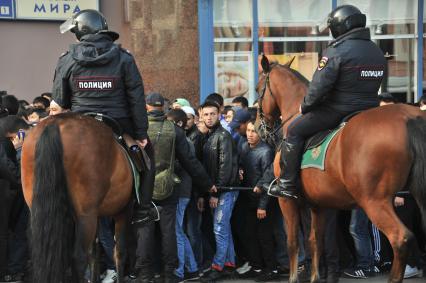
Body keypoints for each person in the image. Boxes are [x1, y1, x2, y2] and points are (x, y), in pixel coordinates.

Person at [268, 5, 386, 198]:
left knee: (293, 130)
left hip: (337, 110)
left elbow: (318, 87)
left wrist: (305, 105)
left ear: (339, 27)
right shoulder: (376, 51)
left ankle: (286, 184)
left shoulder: (336, 51)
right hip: (369, 110)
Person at [52, 9, 156, 225]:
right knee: (147, 157)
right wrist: (141, 135)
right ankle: (143, 209)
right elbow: (136, 99)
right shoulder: (124, 58)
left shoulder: (67, 59)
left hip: (79, 122)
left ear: (81, 32)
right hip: (118, 123)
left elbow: (60, 101)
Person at [135, 93, 216, 283]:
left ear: (146, 107)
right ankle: (170, 274)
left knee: (144, 232)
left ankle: (145, 275)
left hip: (142, 189)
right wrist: (207, 183)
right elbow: (190, 162)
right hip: (168, 188)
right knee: (169, 232)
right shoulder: (174, 130)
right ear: (163, 107)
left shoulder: (138, 130)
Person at [199, 101, 239, 282]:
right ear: (201, 115)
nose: (209, 117)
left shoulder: (222, 136)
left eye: (212, 114)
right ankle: (229, 264)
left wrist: (216, 193)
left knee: (219, 229)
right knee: (225, 229)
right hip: (219, 189)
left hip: (225, 190)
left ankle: (217, 267)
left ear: (219, 114)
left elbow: (226, 167)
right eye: (206, 114)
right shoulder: (209, 136)